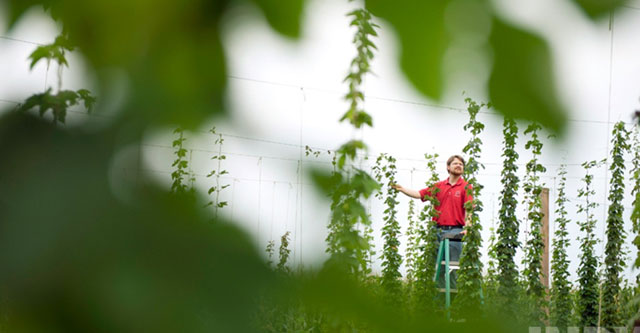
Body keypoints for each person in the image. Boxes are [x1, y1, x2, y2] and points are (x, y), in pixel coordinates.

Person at [392, 154, 473, 288]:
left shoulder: (466, 187)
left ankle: (452, 301)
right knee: (437, 268)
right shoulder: (438, 186)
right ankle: (439, 303)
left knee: (454, 268)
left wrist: (468, 228)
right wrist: (402, 189)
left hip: (456, 232)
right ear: (448, 167)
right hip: (437, 230)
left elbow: (469, 208)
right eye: (455, 163)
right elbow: (419, 194)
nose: (459, 166)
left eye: (461, 164)